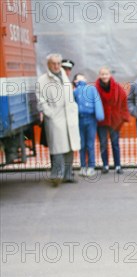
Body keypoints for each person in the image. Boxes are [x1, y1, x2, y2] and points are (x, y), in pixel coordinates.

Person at [36, 53, 80, 187]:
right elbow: (41, 100)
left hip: (69, 118)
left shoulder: (64, 76)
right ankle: (56, 176)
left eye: (58, 63)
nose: (56, 66)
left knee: (70, 149)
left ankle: (67, 175)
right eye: (53, 63)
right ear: (48, 64)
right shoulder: (42, 80)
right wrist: (50, 114)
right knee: (57, 150)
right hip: (56, 119)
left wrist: (74, 109)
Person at [96, 66, 130, 174]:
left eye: (106, 74)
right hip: (101, 120)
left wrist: (123, 116)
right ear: (99, 75)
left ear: (110, 75)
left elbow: (124, 100)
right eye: (102, 74)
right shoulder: (95, 88)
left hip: (114, 120)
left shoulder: (117, 87)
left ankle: (118, 165)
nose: (104, 76)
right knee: (103, 143)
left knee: (115, 143)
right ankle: (105, 165)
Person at [73, 73, 104, 177]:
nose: (81, 79)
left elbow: (97, 101)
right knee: (82, 145)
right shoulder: (75, 91)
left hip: (91, 119)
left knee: (90, 144)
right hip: (80, 120)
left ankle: (91, 166)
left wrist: (99, 115)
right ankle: (83, 166)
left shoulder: (91, 89)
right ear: (75, 81)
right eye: (78, 78)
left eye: (82, 77)